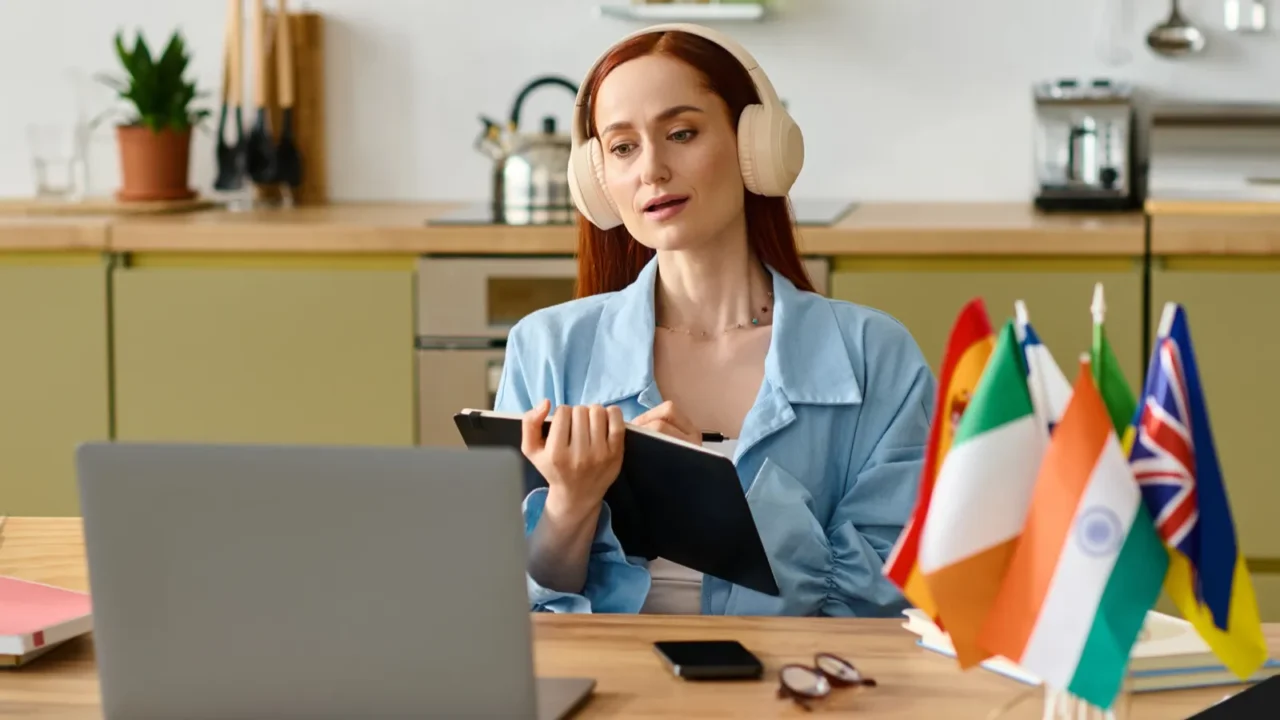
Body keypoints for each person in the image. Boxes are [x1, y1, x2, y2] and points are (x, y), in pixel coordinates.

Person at [493, 23, 936, 617]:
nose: (652, 169)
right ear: (599, 181)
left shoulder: (875, 354)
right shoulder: (545, 347)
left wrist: (707, 500)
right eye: (623, 147)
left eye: (681, 133)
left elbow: (889, 596)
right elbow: (506, 603)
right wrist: (572, 504)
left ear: (755, 146)